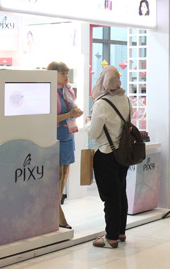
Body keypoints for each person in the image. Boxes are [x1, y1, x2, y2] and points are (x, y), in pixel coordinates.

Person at [88, 65, 131, 248]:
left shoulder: (101, 104)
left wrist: (88, 123)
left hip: (106, 154)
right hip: (123, 153)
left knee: (110, 197)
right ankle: (120, 232)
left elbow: (93, 133)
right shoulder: (126, 99)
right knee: (120, 193)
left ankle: (111, 237)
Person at [48, 61, 83, 229]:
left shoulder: (67, 90)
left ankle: (57, 205)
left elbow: (72, 110)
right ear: (53, 73)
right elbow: (49, 118)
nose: (66, 75)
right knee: (57, 173)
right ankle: (56, 209)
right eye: (63, 73)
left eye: (67, 72)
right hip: (55, 135)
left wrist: (75, 112)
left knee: (65, 173)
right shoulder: (49, 91)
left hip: (68, 134)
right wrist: (70, 113)